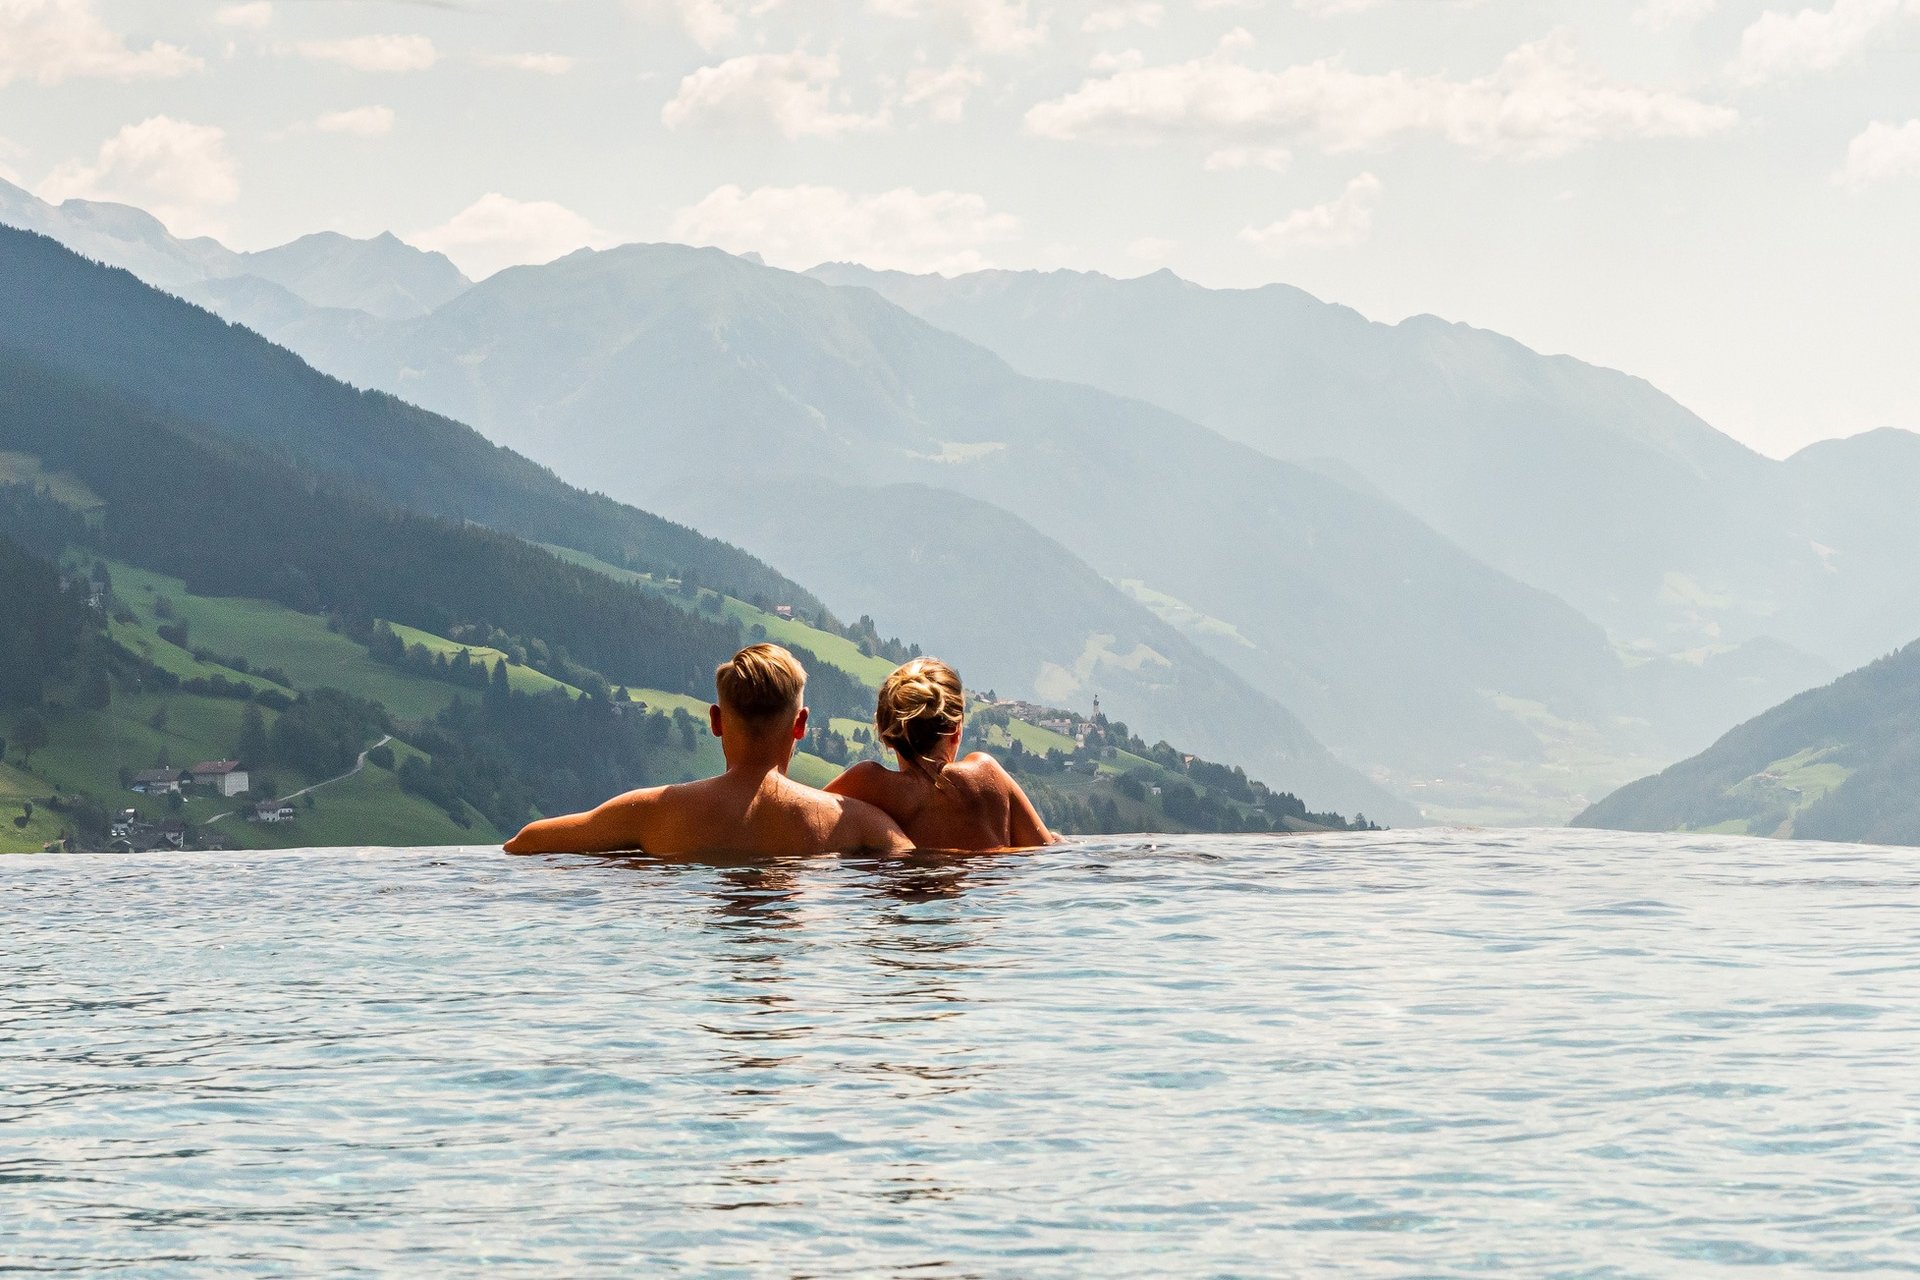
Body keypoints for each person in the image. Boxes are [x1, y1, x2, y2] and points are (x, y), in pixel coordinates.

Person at [503, 644, 911, 857]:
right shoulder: (852, 822)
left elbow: (524, 842)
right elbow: (910, 860)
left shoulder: (653, 812)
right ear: (801, 725)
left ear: (716, 721)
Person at [826, 657, 1059, 851]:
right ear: (956, 730)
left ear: (887, 735)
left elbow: (798, 818)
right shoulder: (987, 775)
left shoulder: (867, 784)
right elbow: (1045, 852)